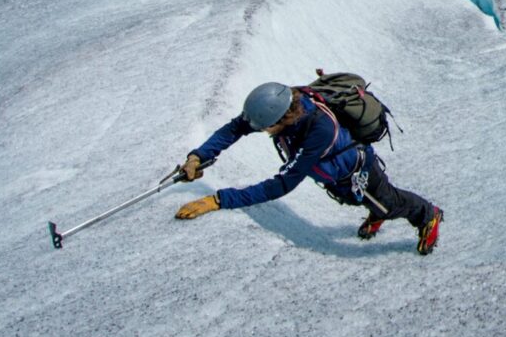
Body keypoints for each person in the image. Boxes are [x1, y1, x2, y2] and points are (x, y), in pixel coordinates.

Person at [173, 80, 443, 255]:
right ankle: (373, 208)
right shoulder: (280, 105)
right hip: (336, 175)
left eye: (265, 127)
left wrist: (220, 200)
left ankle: (427, 214)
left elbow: (283, 184)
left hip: (357, 170)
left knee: (387, 202)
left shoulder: (319, 131)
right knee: (352, 198)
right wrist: (199, 156)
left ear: (281, 120)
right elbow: (236, 127)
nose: (262, 131)